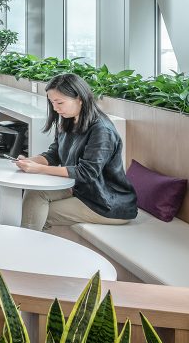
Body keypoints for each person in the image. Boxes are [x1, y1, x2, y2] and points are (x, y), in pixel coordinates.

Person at [16, 73, 137, 231]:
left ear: (80, 98)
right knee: (34, 194)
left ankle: (27, 252)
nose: (55, 108)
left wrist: (39, 169)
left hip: (105, 202)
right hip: (81, 190)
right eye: (52, 102)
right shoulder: (68, 120)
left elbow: (87, 173)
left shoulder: (101, 130)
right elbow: (54, 154)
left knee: (35, 213)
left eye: (59, 102)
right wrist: (30, 161)